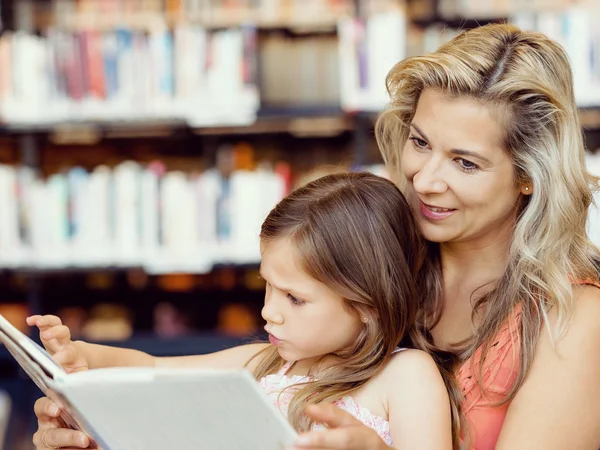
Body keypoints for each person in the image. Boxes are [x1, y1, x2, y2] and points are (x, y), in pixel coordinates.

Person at [281, 23, 600, 450]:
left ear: (529, 175)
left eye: (465, 163)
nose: (425, 180)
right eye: (420, 142)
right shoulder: (380, 266)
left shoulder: (573, 318)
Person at [28, 172, 453, 450]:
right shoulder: (264, 365)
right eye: (267, 285)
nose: (269, 312)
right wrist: (84, 358)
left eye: (294, 298)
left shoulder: (407, 375)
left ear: (368, 306)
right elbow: (151, 367)